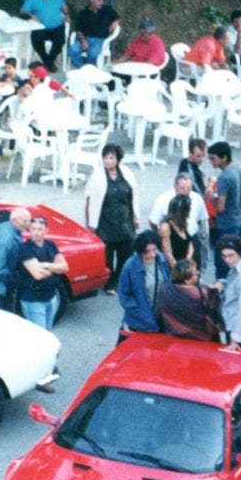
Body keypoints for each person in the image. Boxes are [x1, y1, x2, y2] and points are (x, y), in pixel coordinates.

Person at [84, 143, 139, 294]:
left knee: (126, 254)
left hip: (124, 222)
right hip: (105, 223)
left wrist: (135, 216)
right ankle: (109, 283)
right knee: (107, 257)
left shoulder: (127, 174)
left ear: (118, 159)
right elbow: (89, 200)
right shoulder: (96, 176)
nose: (107, 161)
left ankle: (118, 279)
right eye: (105, 157)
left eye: (111, 157)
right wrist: (90, 224)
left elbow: (133, 197)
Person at [206, 141, 241, 280]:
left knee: (223, 263)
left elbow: (220, 208)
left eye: (213, 158)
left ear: (224, 157)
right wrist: (235, 198)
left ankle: (222, 292)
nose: (210, 161)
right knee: (236, 257)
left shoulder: (224, 178)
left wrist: (210, 194)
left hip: (226, 225)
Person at [17, 215, 68, 330]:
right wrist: (56, 269)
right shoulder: (25, 249)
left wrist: (45, 265)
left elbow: (65, 267)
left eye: (40, 229)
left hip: (51, 297)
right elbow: (38, 275)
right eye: (33, 229)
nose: (36, 232)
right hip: (33, 301)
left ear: (46, 230)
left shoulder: (51, 245)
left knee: (48, 331)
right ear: (29, 230)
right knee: (40, 337)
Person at [117, 230, 170, 337]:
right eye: (147, 251)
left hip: (160, 317)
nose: (152, 255)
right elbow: (124, 295)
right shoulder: (130, 266)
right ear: (140, 250)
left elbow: (168, 282)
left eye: (155, 250)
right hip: (140, 322)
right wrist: (139, 311)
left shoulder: (162, 259)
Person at [157, 260, 220, 341]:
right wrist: (219, 284)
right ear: (186, 280)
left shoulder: (164, 288)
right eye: (195, 273)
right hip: (201, 338)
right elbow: (214, 295)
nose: (198, 272)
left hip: (174, 336)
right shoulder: (202, 292)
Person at [20, 0, 68, 71]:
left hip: (57, 27)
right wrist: (31, 15)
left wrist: (67, 15)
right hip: (40, 28)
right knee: (36, 40)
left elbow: (64, 7)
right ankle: (49, 63)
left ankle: (47, 62)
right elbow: (23, 11)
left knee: (60, 40)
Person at [0, 207, 29, 312]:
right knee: (5, 313)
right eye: (25, 221)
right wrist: (15, 279)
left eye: (28, 220)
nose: (28, 224)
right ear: (14, 220)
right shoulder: (6, 239)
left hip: (2, 283)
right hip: (1, 287)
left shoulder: (10, 228)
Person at [69, 0, 120, 69]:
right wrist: (83, 41)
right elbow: (78, 30)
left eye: (102, 0)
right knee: (72, 50)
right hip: (84, 37)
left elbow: (118, 18)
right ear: (91, 0)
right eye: (98, 0)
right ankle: (82, 69)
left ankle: (90, 70)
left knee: (92, 54)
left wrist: (115, 22)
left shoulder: (107, 10)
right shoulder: (83, 13)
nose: (101, 2)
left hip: (99, 39)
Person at [158, 192, 197, 264]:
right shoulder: (165, 227)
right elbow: (168, 254)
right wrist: (178, 271)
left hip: (186, 263)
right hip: (175, 266)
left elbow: (189, 242)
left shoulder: (183, 223)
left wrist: (188, 260)